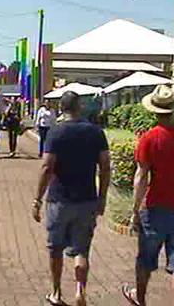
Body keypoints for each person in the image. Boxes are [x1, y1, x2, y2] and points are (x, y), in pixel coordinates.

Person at [32, 91, 111, 306]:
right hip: (86, 198)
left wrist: (37, 199)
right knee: (82, 249)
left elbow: (47, 167)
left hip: (59, 198)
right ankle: (80, 290)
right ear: (79, 108)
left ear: (61, 109)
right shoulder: (95, 133)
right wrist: (102, 197)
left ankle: (56, 292)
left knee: (55, 248)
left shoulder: (56, 133)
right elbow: (105, 166)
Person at [122, 85, 174, 306]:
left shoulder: (150, 138)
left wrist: (135, 208)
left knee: (145, 260)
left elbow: (141, 175)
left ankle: (140, 297)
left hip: (156, 206)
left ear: (155, 111)